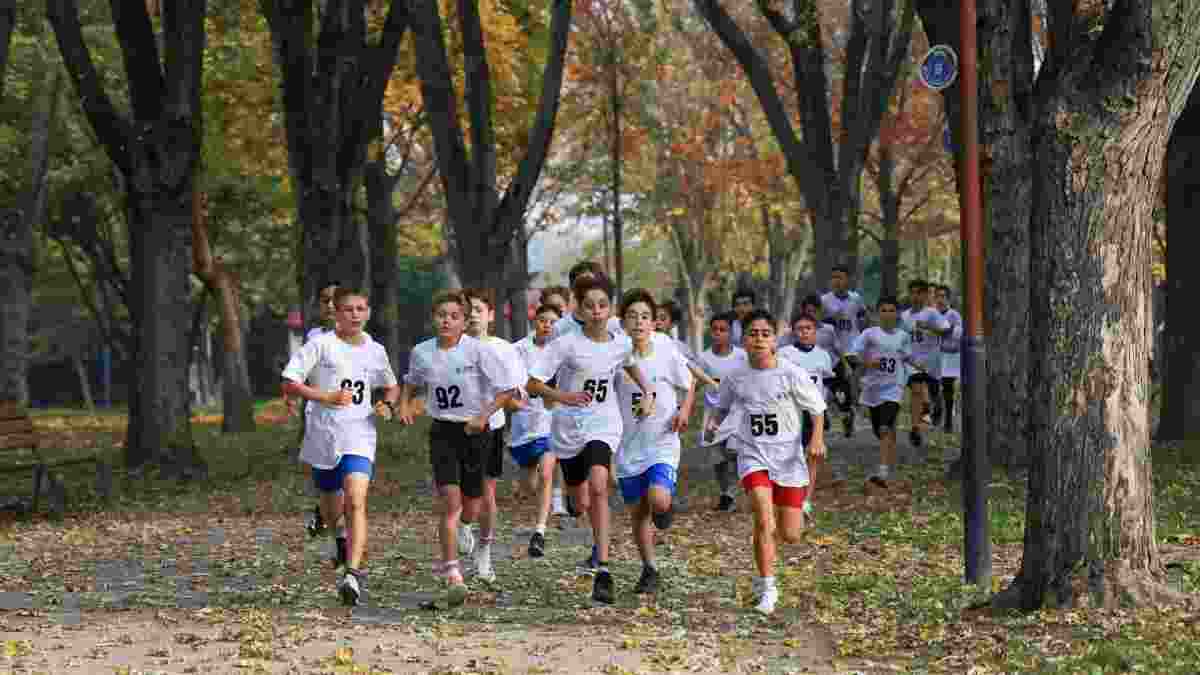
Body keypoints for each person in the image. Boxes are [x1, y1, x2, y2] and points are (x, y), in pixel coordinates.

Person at [526, 275, 655, 604]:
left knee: (600, 483)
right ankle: (574, 503)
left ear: (609, 309)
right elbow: (533, 384)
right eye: (589, 306)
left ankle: (604, 568)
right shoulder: (565, 343)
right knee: (579, 503)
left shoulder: (620, 342)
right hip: (569, 428)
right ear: (579, 311)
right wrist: (563, 396)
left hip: (603, 423)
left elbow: (631, 365)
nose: (597, 311)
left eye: (602, 305)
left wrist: (647, 391)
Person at [399, 291, 521, 605]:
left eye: (453, 316)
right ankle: (452, 572)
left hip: (475, 431)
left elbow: (508, 390)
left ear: (464, 322)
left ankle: (469, 532)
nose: (446, 321)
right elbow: (412, 381)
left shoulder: (478, 352)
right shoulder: (422, 352)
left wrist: (483, 416)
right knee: (450, 502)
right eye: (441, 315)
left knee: (472, 505)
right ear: (433, 318)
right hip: (443, 431)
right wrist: (404, 404)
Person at [281, 287, 400, 606]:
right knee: (334, 511)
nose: (355, 314)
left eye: (361, 308)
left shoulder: (375, 350)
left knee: (357, 500)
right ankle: (340, 540)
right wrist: (326, 397)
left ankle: (353, 574)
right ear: (336, 313)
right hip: (324, 435)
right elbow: (290, 382)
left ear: (369, 313)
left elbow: (391, 386)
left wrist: (387, 406)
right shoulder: (320, 344)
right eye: (348, 309)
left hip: (360, 434)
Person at [704, 309, 826, 616]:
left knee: (790, 534)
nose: (758, 339)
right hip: (752, 454)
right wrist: (713, 423)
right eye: (752, 333)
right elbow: (722, 407)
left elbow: (817, 408)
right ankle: (767, 587)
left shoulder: (790, 372)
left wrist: (816, 438)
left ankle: (801, 511)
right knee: (763, 517)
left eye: (765, 333)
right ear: (743, 340)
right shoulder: (735, 376)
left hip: (787, 459)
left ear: (774, 339)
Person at [614, 289, 695, 594]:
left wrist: (684, 412)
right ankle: (650, 568)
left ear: (654, 322)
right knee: (638, 514)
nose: (639, 322)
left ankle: (665, 506)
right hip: (628, 447)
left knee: (658, 498)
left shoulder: (666, 349)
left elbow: (689, 384)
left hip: (662, 441)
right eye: (632, 316)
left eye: (645, 316)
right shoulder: (614, 356)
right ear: (622, 322)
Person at [459, 287, 526, 582]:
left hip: (491, 428)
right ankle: (463, 524)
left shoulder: (503, 349)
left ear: (490, 315)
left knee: (486, 493)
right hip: (454, 428)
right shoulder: (450, 346)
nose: (473, 315)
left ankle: (484, 552)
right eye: (468, 310)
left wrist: (510, 400)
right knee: (459, 491)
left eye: (478, 310)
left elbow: (518, 395)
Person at [845, 296, 923, 488]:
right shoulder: (870, 334)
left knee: (885, 428)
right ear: (877, 313)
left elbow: (907, 356)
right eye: (884, 310)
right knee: (880, 431)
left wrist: (920, 367)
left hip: (894, 387)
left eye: (892, 310)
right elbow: (850, 356)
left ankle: (883, 471)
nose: (888, 314)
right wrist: (867, 363)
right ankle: (888, 454)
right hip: (872, 389)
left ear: (897, 314)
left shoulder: (903, 336)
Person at [510, 303, 562, 557]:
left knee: (546, 473)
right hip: (524, 426)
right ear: (535, 322)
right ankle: (525, 491)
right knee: (530, 484)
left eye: (553, 322)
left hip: (551, 424)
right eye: (543, 320)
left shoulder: (564, 351)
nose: (547, 326)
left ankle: (539, 532)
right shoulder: (518, 349)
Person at [777, 313, 836, 512]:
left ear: (815, 331)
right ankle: (788, 496)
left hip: (814, 412)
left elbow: (826, 382)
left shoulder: (823, 355)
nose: (804, 332)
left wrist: (828, 408)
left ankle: (806, 501)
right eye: (799, 329)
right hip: (790, 412)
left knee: (813, 455)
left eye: (808, 328)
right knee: (791, 456)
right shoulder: (784, 353)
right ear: (794, 332)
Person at [698, 311, 748, 512]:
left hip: (736, 413)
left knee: (733, 452)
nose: (718, 333)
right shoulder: (704, 358)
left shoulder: (741, 356)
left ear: (730, 332)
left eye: (723, 330)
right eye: (715, 330)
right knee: (717, 458)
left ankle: (734, 490)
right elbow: (695, 383)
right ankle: (725, 491)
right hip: (713, 414)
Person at [900, 280, 951, 448]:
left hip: (932, 361)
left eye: (919, 293)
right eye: (912, 293)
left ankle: (937, 404)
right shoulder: (904, 316)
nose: (915, 297)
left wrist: (929, 327)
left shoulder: (932, 313)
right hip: (913, 362)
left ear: (925, 295)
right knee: (916, 391)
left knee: (933, 391)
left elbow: (946, 331)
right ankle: (915, 428)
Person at [820, 267, 869, 438]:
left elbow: (863, 317)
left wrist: (864, 335)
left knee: (845, 382)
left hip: (851, 348)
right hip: (832, 350)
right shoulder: (824, 300)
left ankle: (847, 411)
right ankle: (846, 412)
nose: (836, 281)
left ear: (847, 280)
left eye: (840, 277)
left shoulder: (856, 299)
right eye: (833, 278)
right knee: (839, 387)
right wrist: (832, 319)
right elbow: (818, 322)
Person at [551, 262, 624, 339]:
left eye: (594, 283)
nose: (590, 289)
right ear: (572, 289)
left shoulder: (616, 326)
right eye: (583, 285)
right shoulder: (559, 328)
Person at [933, 284, 963, 432]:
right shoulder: (932, 314)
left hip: (950, 356)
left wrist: (944, 331)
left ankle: (948, 422)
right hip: (935, 356)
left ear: (948, 299)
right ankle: (937, 408)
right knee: (933, 385)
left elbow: (956, 335)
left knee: (948, 388)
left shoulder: (954, 315)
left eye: (943, 296)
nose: (940, 299)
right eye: (937, 296)